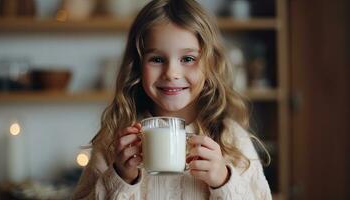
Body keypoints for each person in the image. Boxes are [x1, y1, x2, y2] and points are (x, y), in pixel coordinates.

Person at [72, 0, 272, 199]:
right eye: (157, 59)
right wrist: (119, 178)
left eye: (188, 59)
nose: (171, 73)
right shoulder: (114, 142)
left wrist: (223, 180)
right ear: (137, 66)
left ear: (210, 64)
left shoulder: (231, 138)